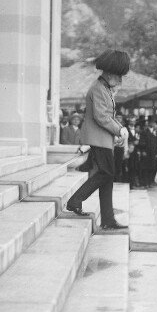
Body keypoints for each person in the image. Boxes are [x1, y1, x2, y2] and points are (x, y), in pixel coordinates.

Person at [65, 50, 130, 229]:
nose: (120, 80)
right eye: (118, 76)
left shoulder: (104, 88)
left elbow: (107, 115)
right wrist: (119, 129)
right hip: (98, 138)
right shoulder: (99, 89)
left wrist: (117, 132)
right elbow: (102, 117)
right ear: (109, 74)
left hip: (102, 138)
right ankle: (75, 200)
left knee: (107, 178)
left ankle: (108, 220)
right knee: (106, 173)